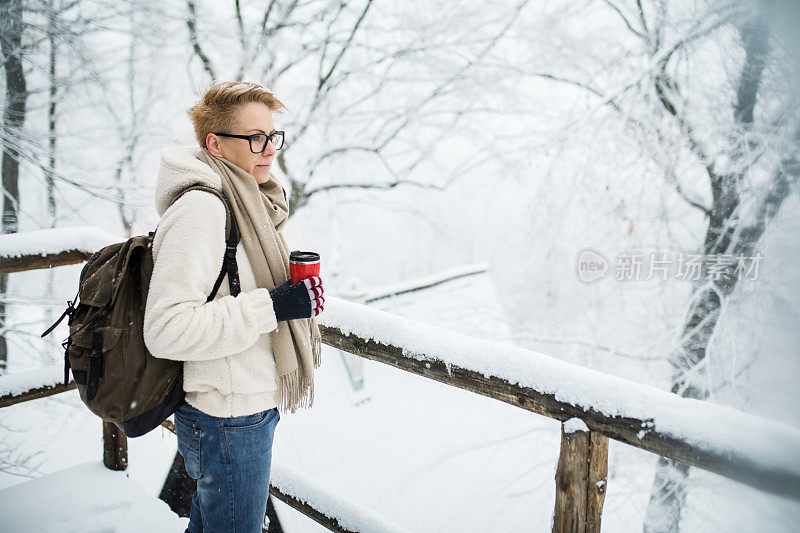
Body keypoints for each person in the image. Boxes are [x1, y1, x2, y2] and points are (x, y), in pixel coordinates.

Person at [143, 81, 325, 533]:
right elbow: (165, 328)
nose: (269, 149)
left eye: (272, 136)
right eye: (255, 138)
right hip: (226, 417)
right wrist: (274, 306)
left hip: (243, 408)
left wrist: (290, 300)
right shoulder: (203, 210)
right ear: (215, 144)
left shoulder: (250, 201)